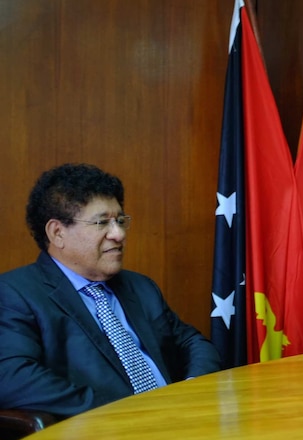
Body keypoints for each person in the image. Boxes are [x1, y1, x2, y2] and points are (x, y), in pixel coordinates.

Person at [0, 164, 221, 418]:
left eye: (120, 221)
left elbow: (192, 342)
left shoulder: (140, 287)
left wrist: (192, 387)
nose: (118, 234)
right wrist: (121, 412)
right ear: (57, 233)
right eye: (102, 222)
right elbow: (12, 377)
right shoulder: (15, 294)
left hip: (181, 420)